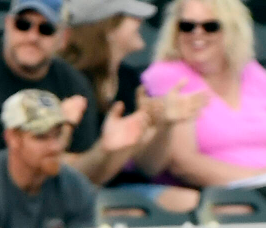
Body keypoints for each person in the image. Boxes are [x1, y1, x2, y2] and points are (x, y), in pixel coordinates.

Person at [0, 0, 147, 182]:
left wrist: (104, 150)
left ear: (63, 37)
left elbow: (81, 177)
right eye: (23, 25)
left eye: (46, 29)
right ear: (8, 25)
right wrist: (62, 130)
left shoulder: (74, 85)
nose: (32, 37)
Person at [140, 0, 266, 188]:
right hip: (211, 198)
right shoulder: (167, 76)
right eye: (187, 26)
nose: (197, 33)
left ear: (232, 31)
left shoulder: (254, 73)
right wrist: (259, 181)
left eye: (210, 26)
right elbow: (182, 163)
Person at [64, 0, 207, 211]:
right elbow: (78, 173)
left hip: (128, 188)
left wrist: (165, 126)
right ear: (108, 27)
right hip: (78, 194)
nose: (140, 21)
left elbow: (148, 166)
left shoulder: (130, 78)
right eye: (131, 16)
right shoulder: (68, 80)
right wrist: (126, 141)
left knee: (195, 203)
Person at [0, 88, 96, 228]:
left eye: (58, 135)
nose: (55, 147)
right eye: (41, 136)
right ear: (12, 137)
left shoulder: (76, 188)